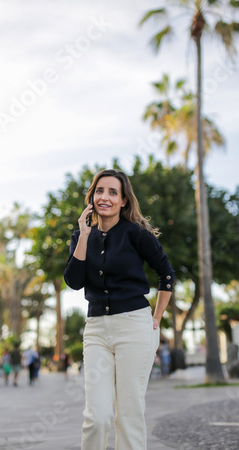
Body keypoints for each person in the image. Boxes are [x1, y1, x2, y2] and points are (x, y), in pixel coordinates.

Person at [64, 168, 175, 450]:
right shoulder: (80, 236)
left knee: (128, 414)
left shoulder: (135, 233)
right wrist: (85, 235)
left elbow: (166, 275)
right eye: (100, 191)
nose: (106, 197)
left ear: (124, 200)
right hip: (97, 331)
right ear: (92, 198)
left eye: (113, 192)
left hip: (134, 327)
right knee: (97, 416)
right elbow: (74, 281)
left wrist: (156, 318)